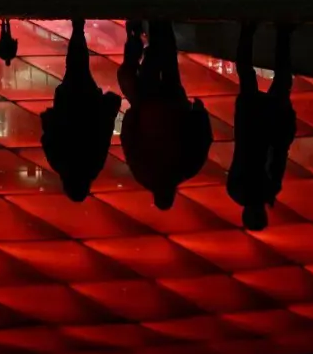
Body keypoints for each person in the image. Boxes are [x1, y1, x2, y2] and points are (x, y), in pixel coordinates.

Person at [118, 20, 211, 210]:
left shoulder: (186, 170)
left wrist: (198, 112)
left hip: (174, 105)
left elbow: (202, 139)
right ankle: (154, 25)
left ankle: (163, 24)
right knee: (152, 63)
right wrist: (133, 113)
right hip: (149, 108)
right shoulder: (143, 173)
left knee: (168, 62)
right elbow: (129, 140)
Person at [39, 19, 123, 201]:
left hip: (89, 106)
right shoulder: (60, 164)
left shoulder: (93, 167)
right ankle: (77, 32)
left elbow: (103, 136)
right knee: (74, 69)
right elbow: (48, 139)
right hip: (68, 106)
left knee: (80, 69)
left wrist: (109, 111)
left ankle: (78, 32)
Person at [226, 22, 299, 231]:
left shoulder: (269, 190)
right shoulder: (236, 190)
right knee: (246, 75)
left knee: (282, 78)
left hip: (269, 124)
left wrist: (288, 123)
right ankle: (247, 31)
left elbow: (279, 153)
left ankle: (283, 33)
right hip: (248, 125)